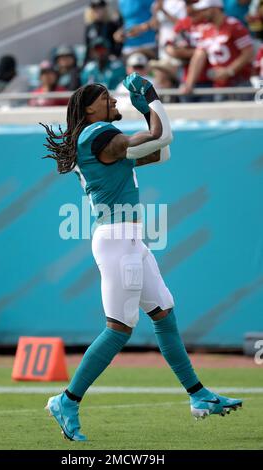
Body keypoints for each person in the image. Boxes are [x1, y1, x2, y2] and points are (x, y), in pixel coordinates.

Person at [41, 73, 243, 441]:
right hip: (118, 240)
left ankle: (198, 396)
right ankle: (67, 400)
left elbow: (161, 150)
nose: (116, 102)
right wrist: (150, 100)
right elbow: (161, 136)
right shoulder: (97, 135)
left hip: (129, 240)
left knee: (163, 314)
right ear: (90, 108)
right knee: (119, 329)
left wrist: (151, 110)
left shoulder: (101, 140)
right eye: (107, 98)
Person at [181, 0, 254, 99]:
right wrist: (189, 83)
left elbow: (248, 52)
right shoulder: (206, 30)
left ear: (215, 9)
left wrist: (229, 71)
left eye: (204, 10)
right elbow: (199, 56)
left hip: (239, 83)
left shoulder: (234, 25)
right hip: (219, 86)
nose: (202, 13)